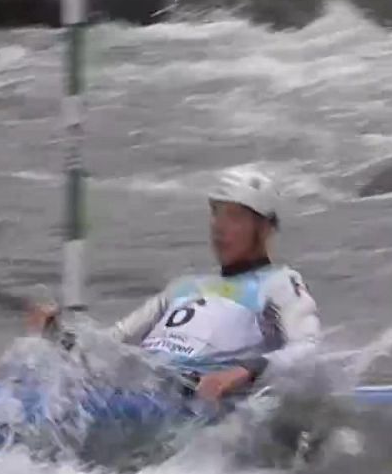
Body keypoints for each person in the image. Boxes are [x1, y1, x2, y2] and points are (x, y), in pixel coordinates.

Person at [28, 166, 321, 401]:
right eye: (216, 214)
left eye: (234, 217)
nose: (219, 227)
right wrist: (58, 334)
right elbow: (110, 345)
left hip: (193, 395)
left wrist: (241, 373)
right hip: (144, 386)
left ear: (265, 229)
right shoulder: (184, 287)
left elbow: (306, 350)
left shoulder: (280, 283)